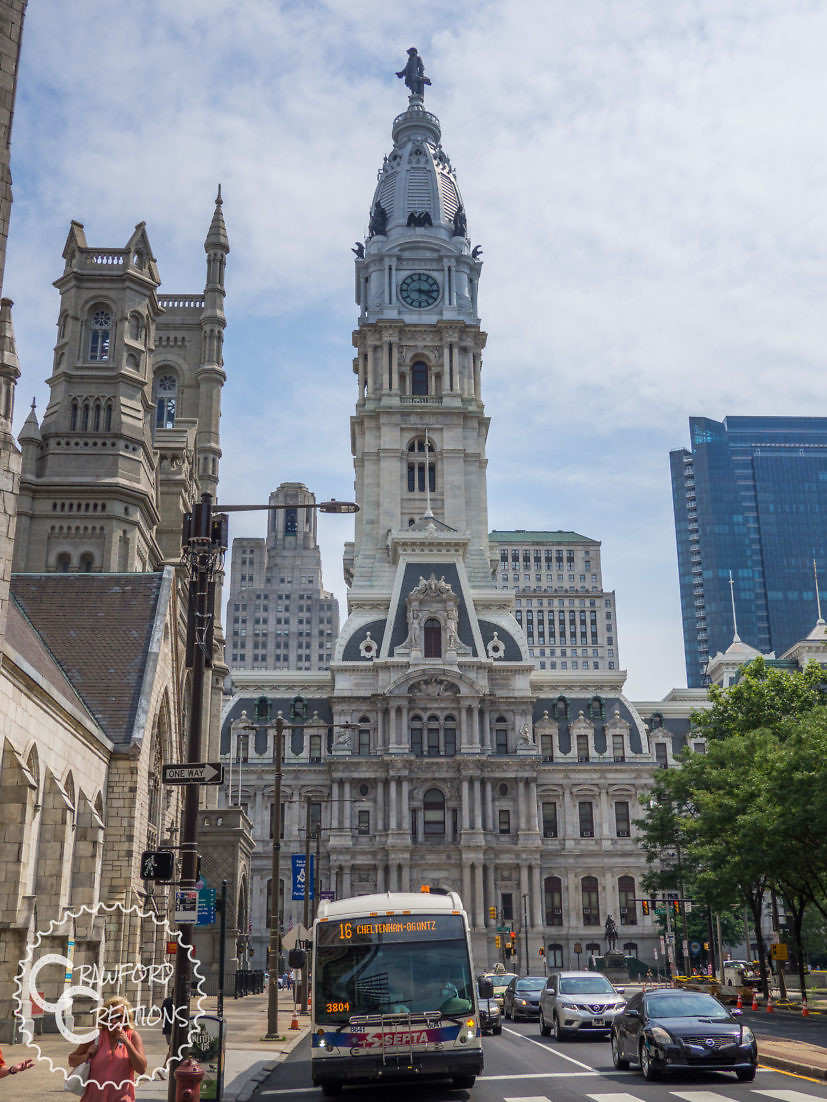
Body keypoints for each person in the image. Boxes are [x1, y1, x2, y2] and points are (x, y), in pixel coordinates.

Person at [69, 995, 147, 1101]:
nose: (114, 1020)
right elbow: (71, 1060)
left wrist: (127, 1043)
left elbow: (141, 1069)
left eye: (119, 1016)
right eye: (110, 1016)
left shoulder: (132, 1037)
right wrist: (86, 1056)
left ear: (126, 1017)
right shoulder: (96, 1036)